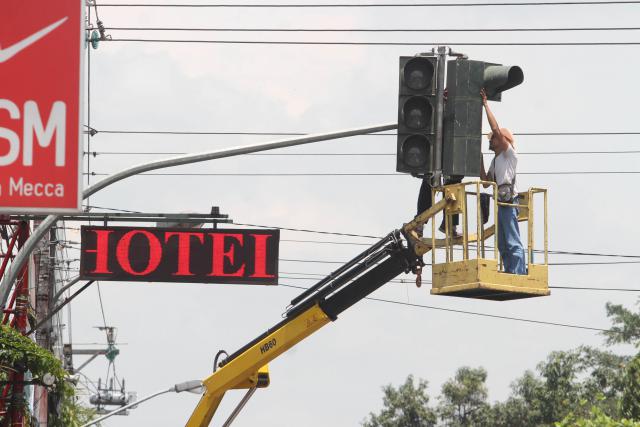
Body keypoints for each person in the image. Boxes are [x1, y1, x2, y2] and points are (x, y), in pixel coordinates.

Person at [479, 88, 526, 275]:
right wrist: (478, 159)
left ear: (501, 141)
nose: (490, 141)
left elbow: (495, 129)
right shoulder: (495, 161)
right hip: (500, 202)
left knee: (512, 239)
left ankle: (518, 272)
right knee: (502, 242)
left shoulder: (509, 156)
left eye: (493, 139)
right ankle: (509, 270)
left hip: (508, 202)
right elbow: (484, 182)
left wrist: (485, 105)